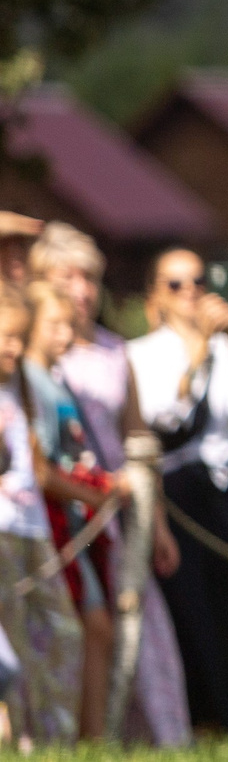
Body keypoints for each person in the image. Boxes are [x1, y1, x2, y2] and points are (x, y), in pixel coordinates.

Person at [29, 223, 190, 743]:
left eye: (90, 278)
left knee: (133, 628)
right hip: (64, 509)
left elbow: (139, 443)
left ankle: (137, 740)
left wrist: (157, 523)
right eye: (67, 277)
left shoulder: (114, 351)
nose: (81, 289)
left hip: (120, 512)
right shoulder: (33, 358)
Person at [130, 245, 228, 737]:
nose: (190, 293)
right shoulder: (142, 353)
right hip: (179, 493)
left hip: (225, 489)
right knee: (189, 610)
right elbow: (166, 417)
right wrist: (202, 354)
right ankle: (196, 719)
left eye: (197, 281)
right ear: (156, 297)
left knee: (225, 607)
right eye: (175, 284)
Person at [21, 279, 121, 739]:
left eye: (69, 322)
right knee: (83, 626)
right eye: (54, 323)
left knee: (93, 627)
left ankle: (89, 737)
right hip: (51, 519)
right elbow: (40, 464)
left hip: (72, 516)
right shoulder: (32, 382)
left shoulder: (56, 380)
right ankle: (77, 736)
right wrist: (96, 492)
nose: (66, 333)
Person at [0, 284, 83, 745]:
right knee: (13, 646)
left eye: (20, 336)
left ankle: (57, 739)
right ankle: (23, 739)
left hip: (31, 528)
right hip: (1, 532)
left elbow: (37, 468)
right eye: (7, 337)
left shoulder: (22, 388)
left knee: (61, 633)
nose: (16, 346)